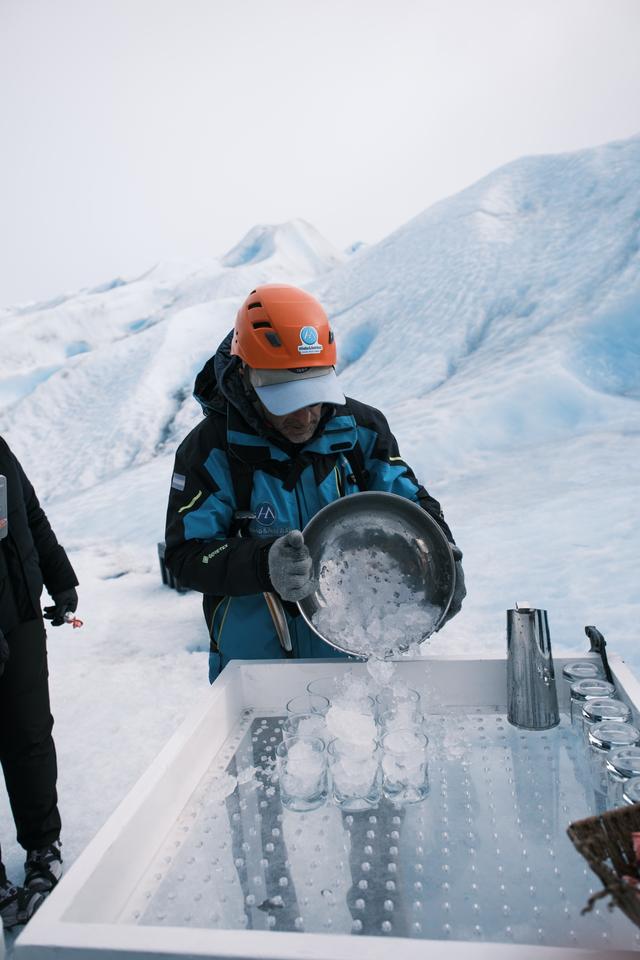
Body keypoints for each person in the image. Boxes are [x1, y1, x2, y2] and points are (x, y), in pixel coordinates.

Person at [164, 284, 465, 682]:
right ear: (247, 377)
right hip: (255, 675)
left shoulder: (361, 429)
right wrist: (262, 563)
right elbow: (186, 556)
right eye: (286, 401)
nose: (305, 418)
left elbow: (410, 504)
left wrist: (442, 551)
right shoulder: (210, 451)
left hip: (359, 668)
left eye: (315, 396)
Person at [0, 437, 79, 929]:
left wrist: (60, 579)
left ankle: (41, 847)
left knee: (29, 735)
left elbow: (30, 514)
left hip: (21, 618)